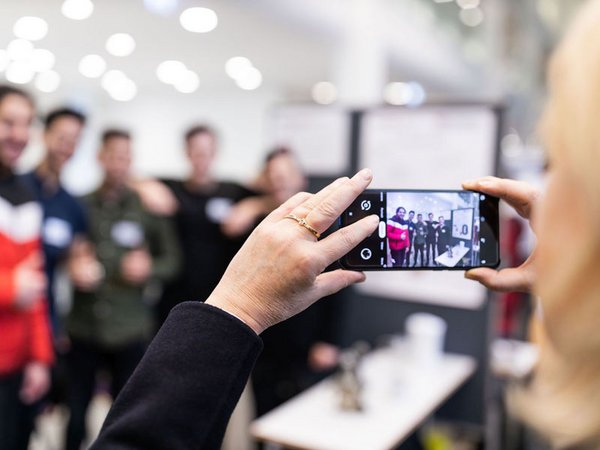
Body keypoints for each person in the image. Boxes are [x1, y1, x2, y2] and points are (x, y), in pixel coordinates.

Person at [89, 169, 379, 450]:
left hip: (269, 332)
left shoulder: (232, 191)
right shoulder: (188, 193)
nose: (280, 185)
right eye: (274, 178)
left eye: (286, 178)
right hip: (233, 322)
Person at [64, 129, 181, 450]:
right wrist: (71, 265)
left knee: (125, 415)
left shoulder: (146, 207)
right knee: (75, 412)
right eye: (113, 155)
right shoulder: (80, 204)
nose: (120, 164)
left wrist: (148, 269)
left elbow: (172, 260)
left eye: (126, 157)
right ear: (100, 157)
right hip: (84, 326)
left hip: (130, 329)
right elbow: (63, 251)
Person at [140, 125, 260, 326]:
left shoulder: (233, 191)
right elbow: (130, 179)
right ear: (187, 152)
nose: (202, 157)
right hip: (175, 295)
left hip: (222, 295)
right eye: (196, 151)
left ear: (215, 152)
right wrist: (146, 186)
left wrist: (253, 206)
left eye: (207, 151)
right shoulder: (172, 188)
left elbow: (271, 198)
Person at [0, 86, 53, 450]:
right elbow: (17, 284)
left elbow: (33, 286)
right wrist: (8, 288)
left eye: (27, 123)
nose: (20, 134)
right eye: (7, 122)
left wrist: (39, 357)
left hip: (15, 368)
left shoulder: (25, 193)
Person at [21, 108, 88, 334]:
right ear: (45, 135)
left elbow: (74, 256)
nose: (66, 146)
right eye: (62, 137)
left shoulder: (72, 205)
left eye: (74, 140)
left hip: (45, 316)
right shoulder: (16, 188)